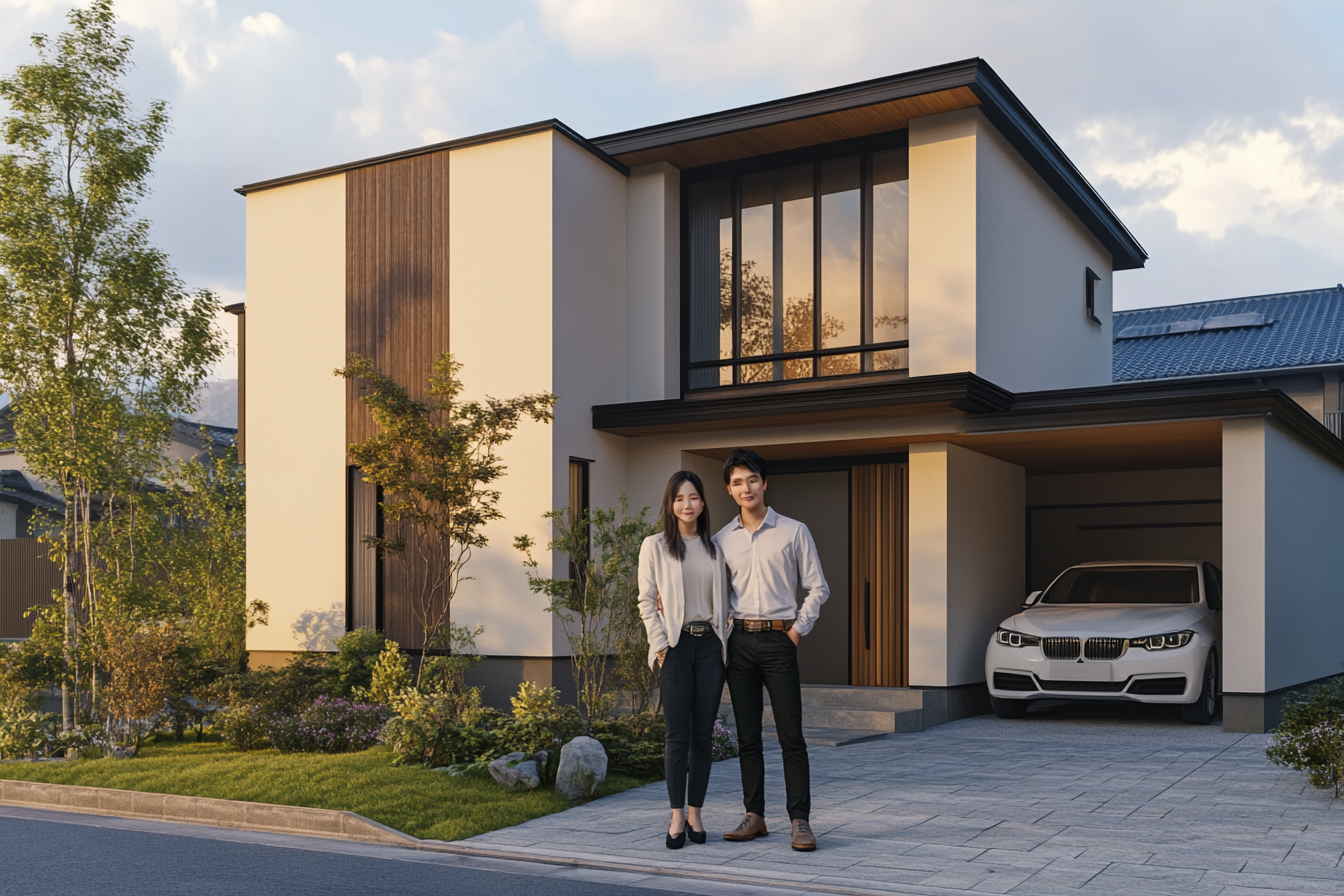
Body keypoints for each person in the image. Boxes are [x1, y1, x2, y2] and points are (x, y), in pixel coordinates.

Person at [717, 448, 828, 852]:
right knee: (747, 736)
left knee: (790, 736)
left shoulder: (794, 531)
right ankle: (755, 816)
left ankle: (800, 820)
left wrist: (796, 631)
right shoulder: (721, 541)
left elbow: (818, 586)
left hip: (781, 641)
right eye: (736, 482)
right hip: (740, 642)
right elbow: (712, 594)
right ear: (729, 490)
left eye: (751, 479)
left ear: (764, 483)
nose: (745, 488)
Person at [637, 470, 729, 850]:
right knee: (677, 737)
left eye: (693, 497)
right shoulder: (655, 545)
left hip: (710, 647)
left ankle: (696, 812)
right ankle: (676, 816)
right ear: (670, 504)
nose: (687, 505)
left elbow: (729, 602)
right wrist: (660, 647)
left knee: (703, 737)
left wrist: (726, 638)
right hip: (674, 647)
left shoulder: (715, 548)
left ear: (703, 503)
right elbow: (646, 600)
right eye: (679, 498)